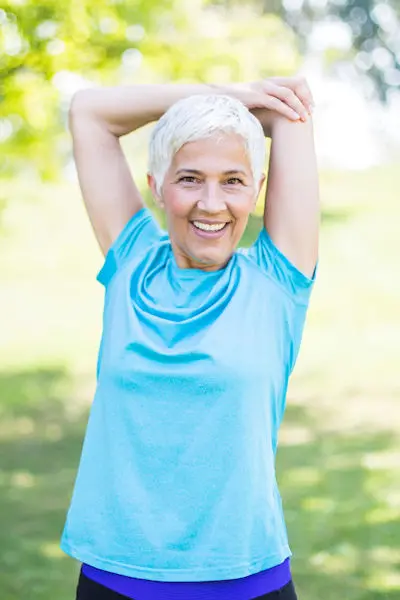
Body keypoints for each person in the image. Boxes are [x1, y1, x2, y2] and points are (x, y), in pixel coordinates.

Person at [61, 75, 319, 600]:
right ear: (156, 186)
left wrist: (243, 109)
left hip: (244, 581)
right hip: (116, 577)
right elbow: (89, 112)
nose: (211, 203)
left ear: (257, 189)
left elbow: (292, 114)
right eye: (189, 178)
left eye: (232, 180)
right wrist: (226, 96)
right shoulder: (131, 263)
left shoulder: (276, 279)